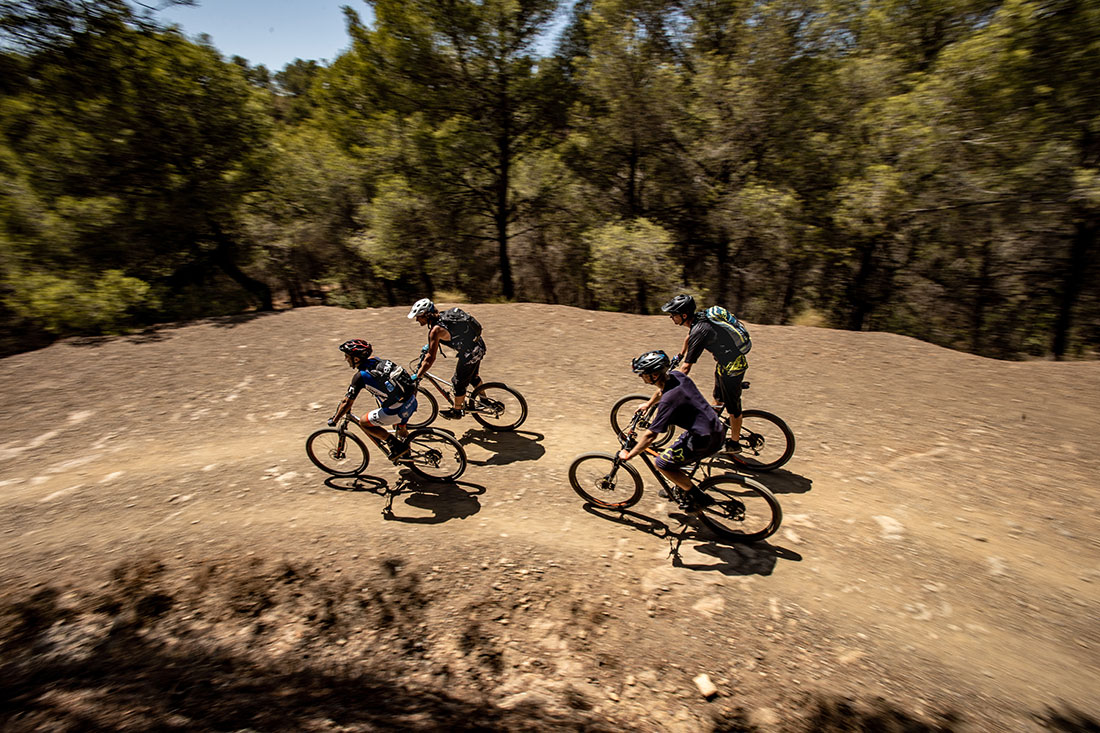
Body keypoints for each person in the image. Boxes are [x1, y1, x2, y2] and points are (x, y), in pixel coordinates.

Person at [616, 349, 724, 510]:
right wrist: (648, 404)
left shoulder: (669, 401)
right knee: (674, 450)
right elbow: (661, 391)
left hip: (704, 440)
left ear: (654, 375)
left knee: (661, 463)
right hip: (713, 427)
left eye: (643, 374)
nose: (641, 377)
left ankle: (699, 498)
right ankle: (680, 484)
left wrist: (630, 455)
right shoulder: (676, 376)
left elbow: (651, 435)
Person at [660, 293, 748, 449]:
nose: (671, 317)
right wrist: (680, 354)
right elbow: (689, 337)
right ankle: (713, 432)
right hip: (724, 364)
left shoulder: (699, 332)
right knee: (717, 400)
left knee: (733, 408)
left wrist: (670, 385)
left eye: (673, 315)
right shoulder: (699, 318)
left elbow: (686, 368)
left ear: (684, 315)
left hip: (733, 368)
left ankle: (734, 444)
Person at [327, 339, 417, 459]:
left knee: (364, 423)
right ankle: (406, 452)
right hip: (411, 401)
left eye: (347, 356)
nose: (345, 359)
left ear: (356, 359)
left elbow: (346, 402)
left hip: (397, 411)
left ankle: (395, 445)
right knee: (399, 427)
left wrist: (335, 419)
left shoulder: (360, 377)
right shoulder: (378, 360)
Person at [407, 298, 486, 419]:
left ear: (427, 315)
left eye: (419, 316)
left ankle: (457, 411)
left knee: (458, 382)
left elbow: (430, 359)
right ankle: (485, 400)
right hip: (478, 346)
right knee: (472, 377)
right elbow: (452, 334)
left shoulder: (435, 330)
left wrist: (419, 375)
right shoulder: (443, 317)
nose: (417, 319)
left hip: (470, 353)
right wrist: (429, 346)